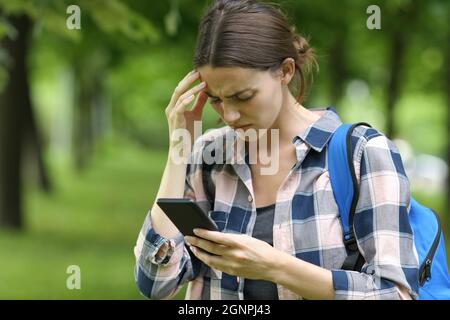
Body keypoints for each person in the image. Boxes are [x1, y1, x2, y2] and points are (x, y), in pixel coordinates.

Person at [134, 0, 419, 300]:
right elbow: (155, 284)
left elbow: (395, 293)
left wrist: (276, 267)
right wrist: (179, 149)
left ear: (284, 71)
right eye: (216, 99)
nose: (229, 115)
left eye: (242, 96)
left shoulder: (363, 153)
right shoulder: (210, 155)